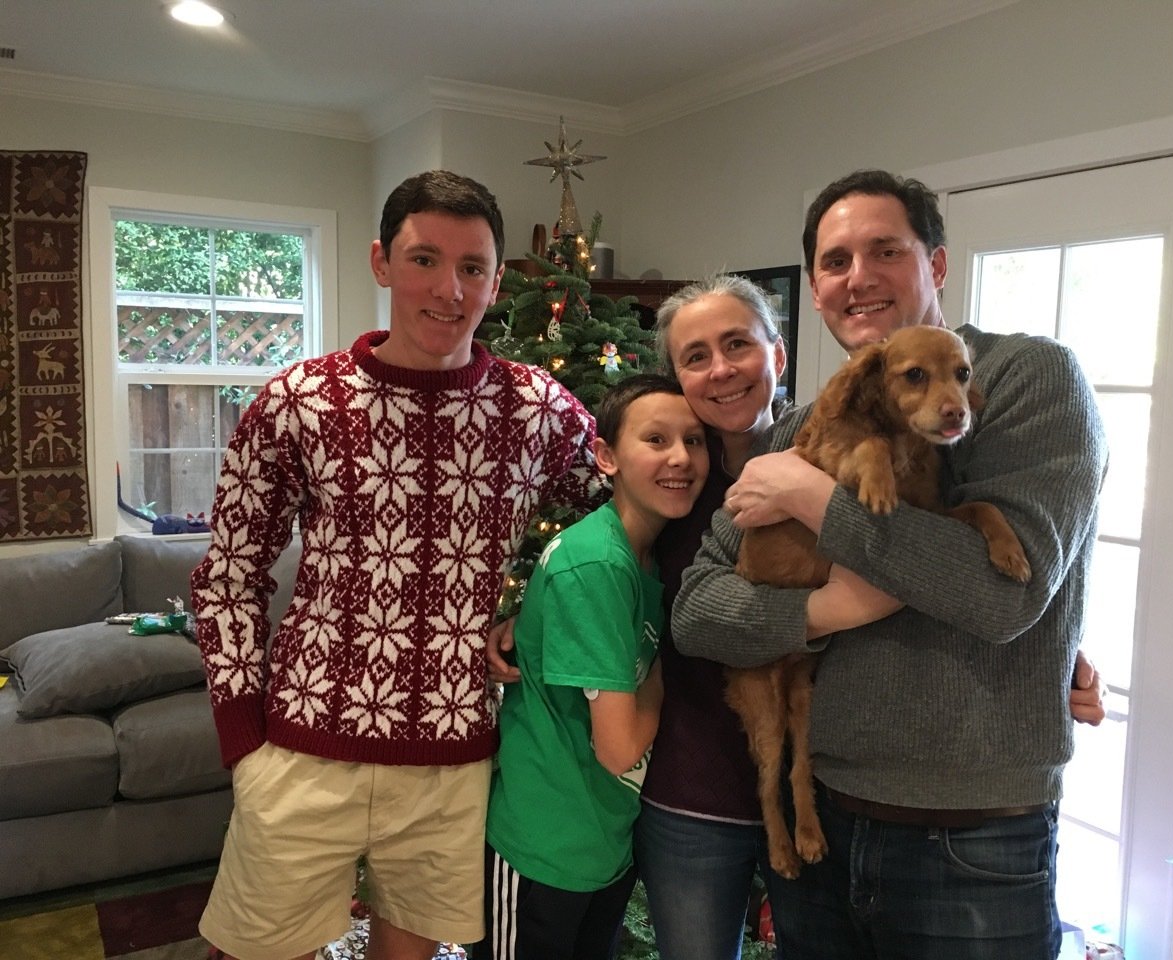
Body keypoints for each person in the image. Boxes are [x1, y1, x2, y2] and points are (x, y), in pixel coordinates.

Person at [489, 273, 1107, 959]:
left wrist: (1056, 658)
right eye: (696, 357)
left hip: (818, 783)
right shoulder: (669, 483)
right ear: (677, 377)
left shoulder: (814, 444)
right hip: (693, 788)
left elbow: (949, 567)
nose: (721, 370)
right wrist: (524, 619)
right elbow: (622, 584)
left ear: (777, 354)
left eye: (737, 344)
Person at [671, 169, 1108, 960]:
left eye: (885, 251)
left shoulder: (1029, 379)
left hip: (970, 839)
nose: (858, 278)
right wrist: (821, 612)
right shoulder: (807, 423)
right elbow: (697, 610)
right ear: (815, 289)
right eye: (835, 262)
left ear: (935, 264)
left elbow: (1001, 596)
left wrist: (811, 496)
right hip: (823, 817)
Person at [191, 170, 605, 960]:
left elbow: (619, 523)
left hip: (453, 760)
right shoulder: (299, 401)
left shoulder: (540, 410)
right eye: (424, 260)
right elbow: (229, 574)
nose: (450, 290)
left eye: (473, 267)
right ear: (382, 262)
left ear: (496, 281)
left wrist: (533, 614)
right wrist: (242, 736)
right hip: (303, 748)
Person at [475, 373, 709, 960]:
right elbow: (619, 748)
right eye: (655, 439)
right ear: (607, 457)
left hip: (603, 843)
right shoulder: (597, 563)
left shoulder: (647, 555)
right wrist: (667, 668)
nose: (680, 457)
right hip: (544, 846)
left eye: (694, 440)